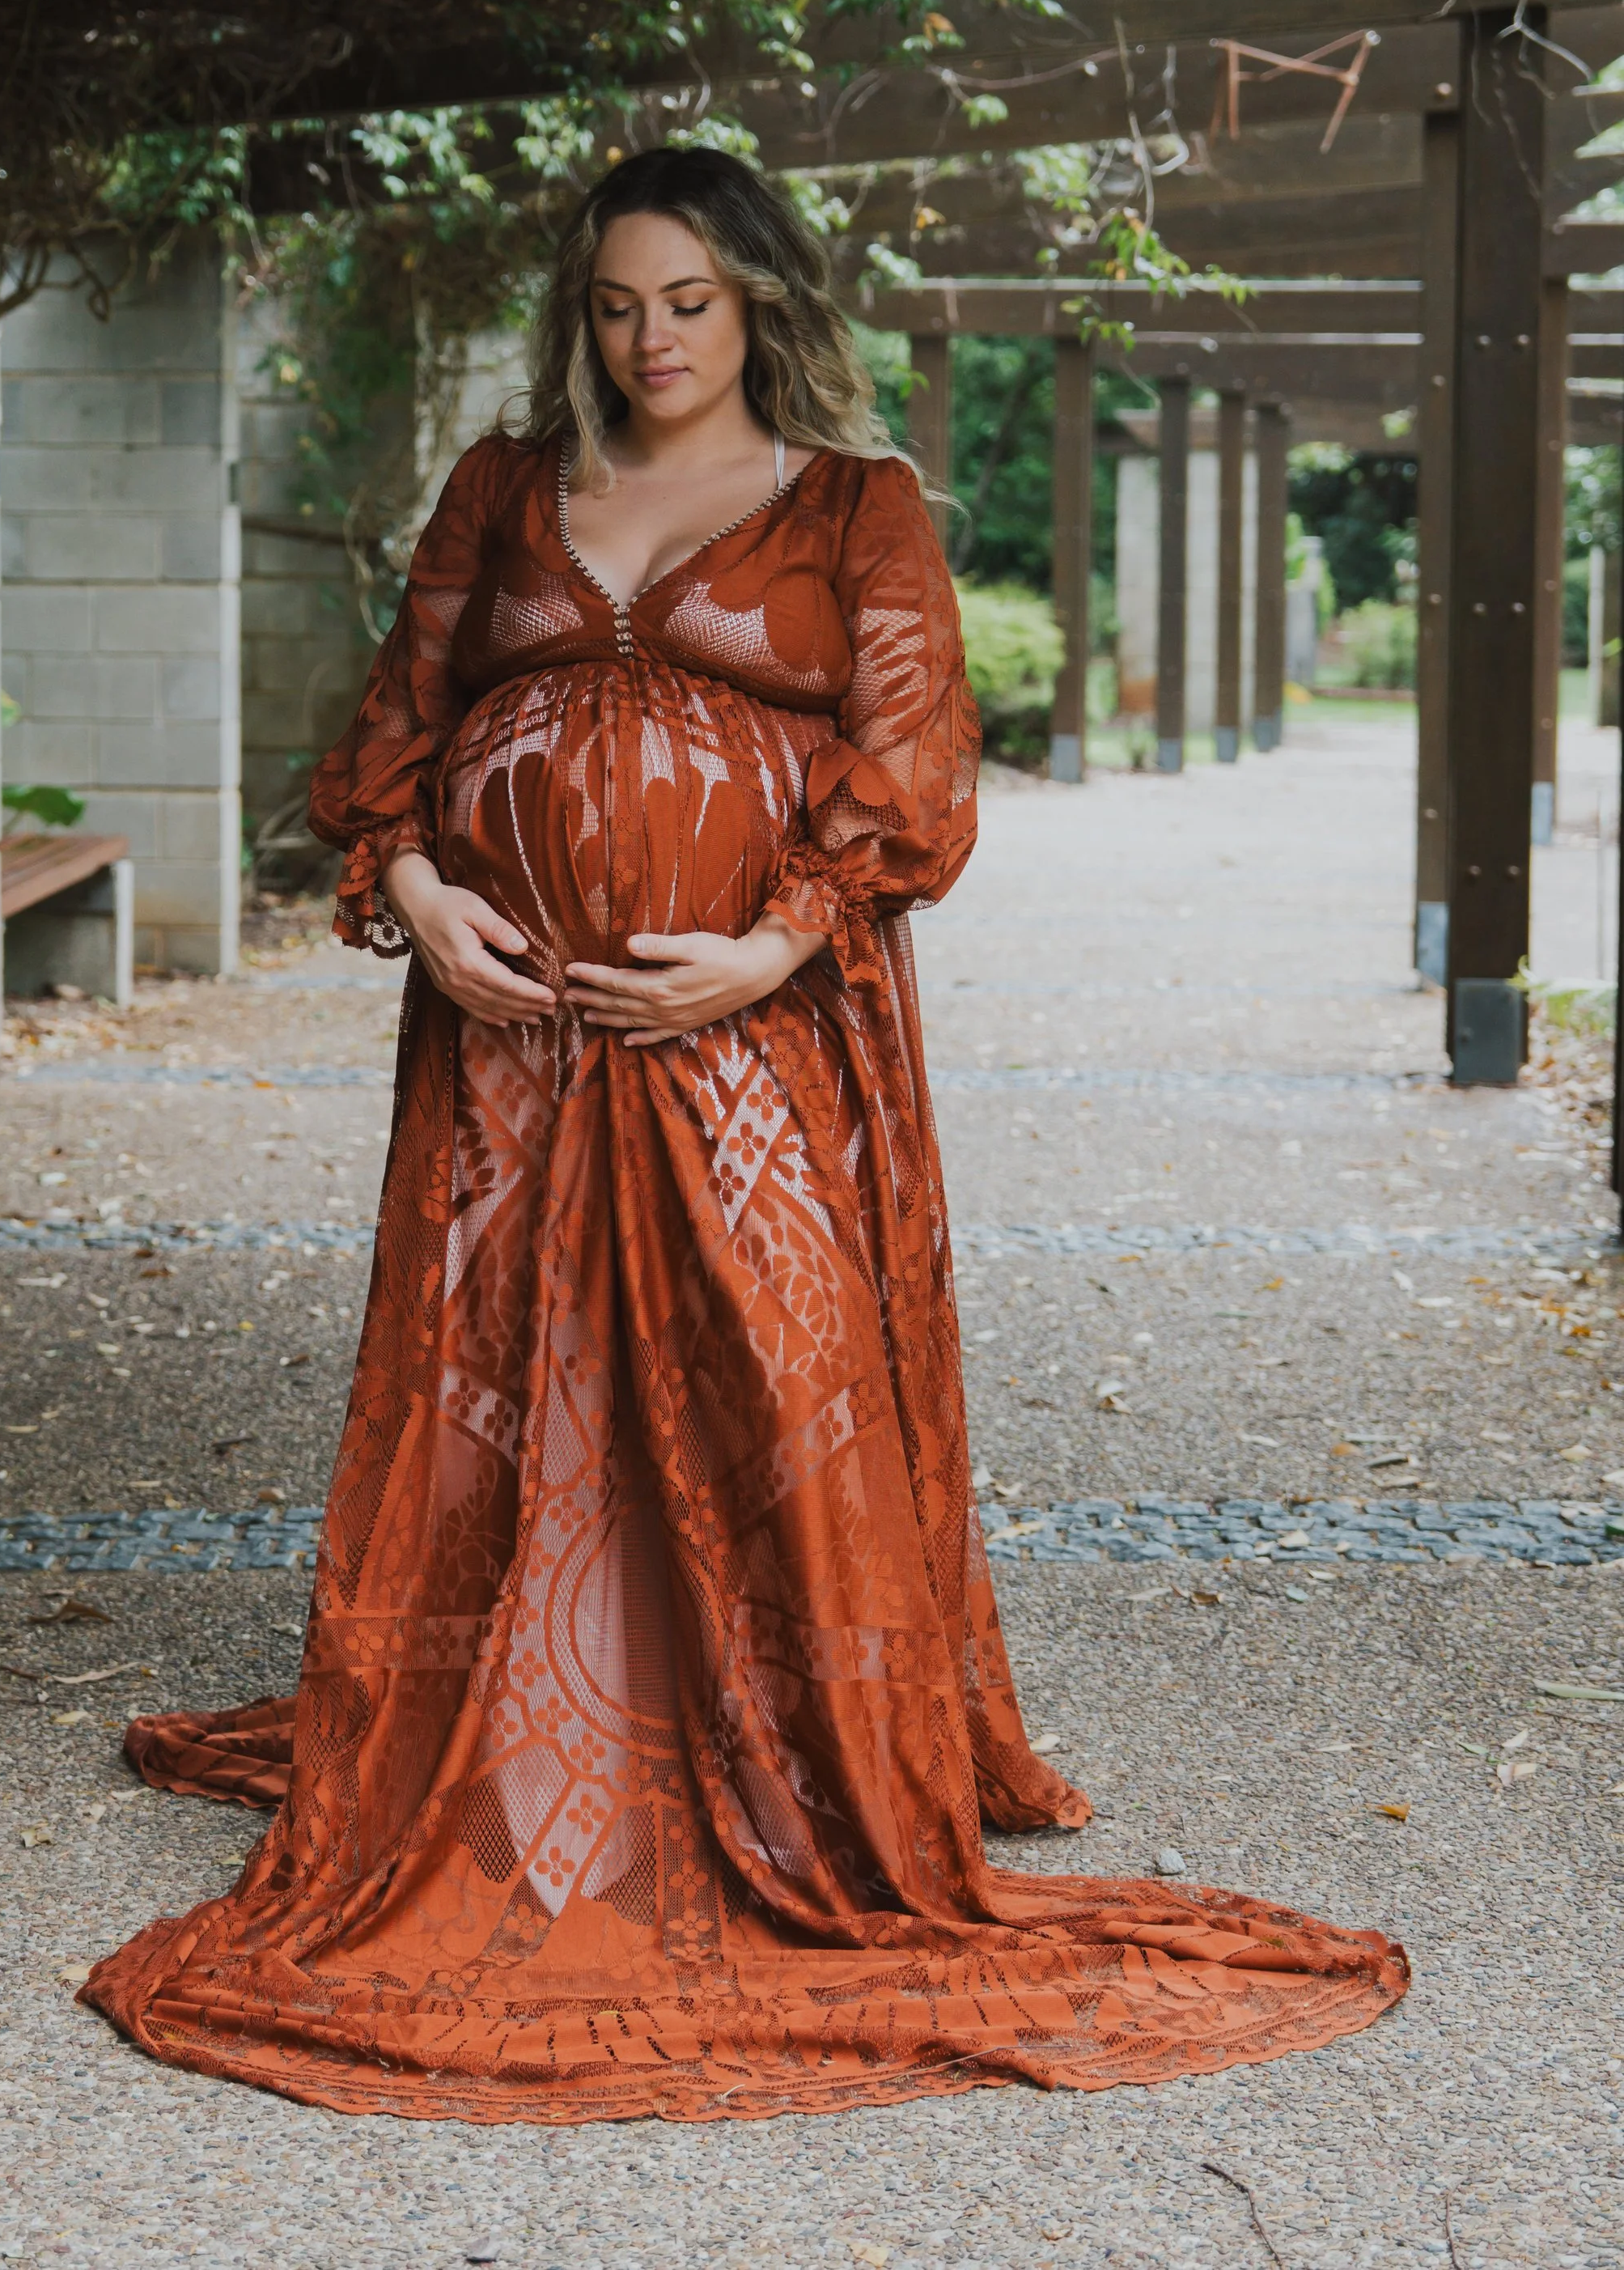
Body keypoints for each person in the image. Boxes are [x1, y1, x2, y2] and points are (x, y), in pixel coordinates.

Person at [84, 144, 1404, 2120]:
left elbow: (913, 762)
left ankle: (792, 1759)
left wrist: (765, 945)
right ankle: (527, 1730)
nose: (651, 340)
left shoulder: (853, 506)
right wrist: (418, 897)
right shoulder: (504, 487)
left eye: (687, 303)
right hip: (509, 1041)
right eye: (617, 305)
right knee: (504, 1371)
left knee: (777, 1369)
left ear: (760, 303)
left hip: (751, 1031)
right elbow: (395, 729)